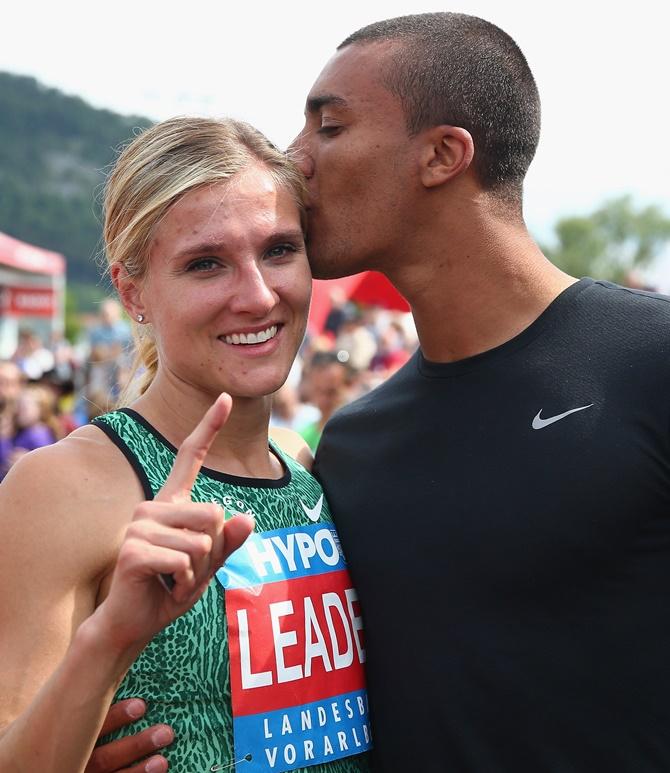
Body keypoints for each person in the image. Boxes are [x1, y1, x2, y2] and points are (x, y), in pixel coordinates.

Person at [91, 11, 670, 772]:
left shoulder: (650, 362)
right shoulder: (355, 443)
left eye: (328, 126)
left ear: (441, 154)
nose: (294, 162)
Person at [0, 117, 372, 773]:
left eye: (280, 249)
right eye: (206, 263)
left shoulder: (308, 464)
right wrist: (111, 638)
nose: (258, 295)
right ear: (132, 291)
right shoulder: (65, 486)